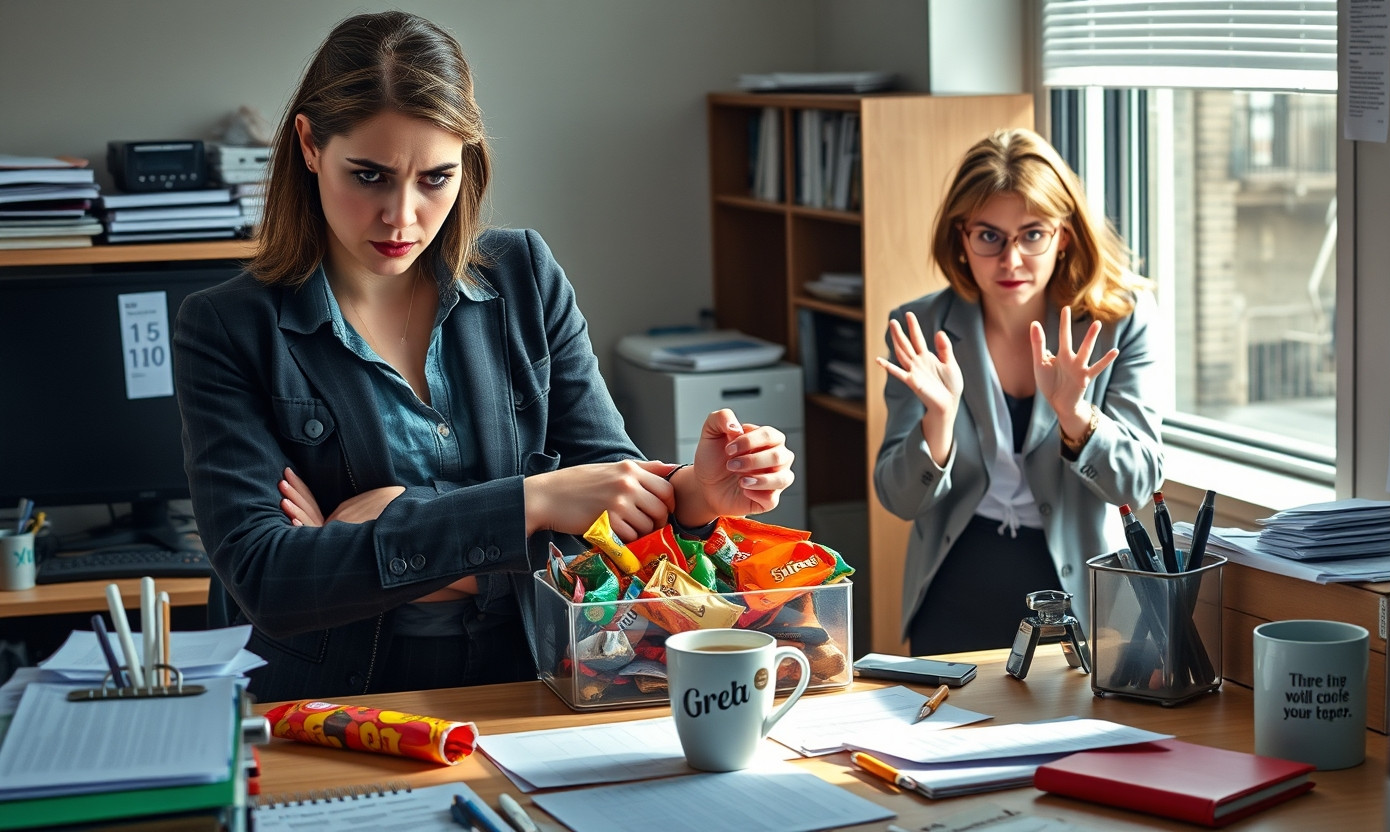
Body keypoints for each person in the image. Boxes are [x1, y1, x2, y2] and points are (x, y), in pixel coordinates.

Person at [173, 11, 793, 702]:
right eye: (370, 176)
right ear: (310, 145)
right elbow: (271, 580)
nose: (401, 216)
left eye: (435, 178)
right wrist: (536, 502)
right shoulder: (226, 326)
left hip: (535, 683)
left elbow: (610, 518)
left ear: (465, 162)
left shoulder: (524, 273)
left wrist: (699, 491)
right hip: (338, 704)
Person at [873, 128, 1163, 656]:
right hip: (955, 586)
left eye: (1032, 235)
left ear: (1064, 236)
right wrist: (937, 423)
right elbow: (899, 497)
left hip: (1078, 592)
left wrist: (1077, 418)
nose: (1011, 261)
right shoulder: (921, 325)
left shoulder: (1121, 321)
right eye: (989, 236)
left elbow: (1137, 484)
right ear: (961, 237)